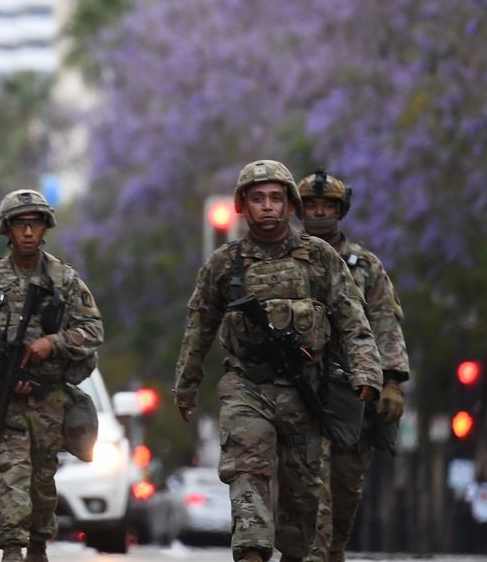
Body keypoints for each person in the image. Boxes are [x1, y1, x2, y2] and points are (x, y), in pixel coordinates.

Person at [174, 159, 383, 562]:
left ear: (290, 206)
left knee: (303, 503)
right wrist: (186, 385)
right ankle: (251, 551)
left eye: (275, 198)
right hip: (246, 388)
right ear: (242, 206)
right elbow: (199, 326)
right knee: (246, 473)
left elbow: (351, 318)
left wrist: (367, 372)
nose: (267, 207)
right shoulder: (224, 264)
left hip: (305, 393)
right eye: (257, 199)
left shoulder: (318, 258)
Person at [0, 190, 104, 562]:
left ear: (45, 228)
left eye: (34, 223)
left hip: (51, 401)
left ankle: (38, 546)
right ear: (7, 230)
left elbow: (93, 330)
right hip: (9, 401)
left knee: (42, 483)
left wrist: (53, 343)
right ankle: (11, 548)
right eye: (20, 224)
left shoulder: (64, 279)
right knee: (12, 476)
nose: (27, 232)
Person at [297, 170, 409, 562]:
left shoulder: (366, 267)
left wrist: (391, 381)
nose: (320, 213)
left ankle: (334, 550)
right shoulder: (284, 259)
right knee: (311, 488)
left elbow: (384, 322)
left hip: (352, 390)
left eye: (328, 206)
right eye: (311, 206)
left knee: (345, 489)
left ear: (341, 211)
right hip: (298, 389)